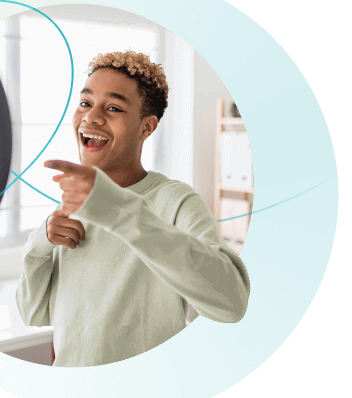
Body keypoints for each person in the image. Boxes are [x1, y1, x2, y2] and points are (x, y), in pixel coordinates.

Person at [16, 50, 250, 368]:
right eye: (86, 103)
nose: (91, 118)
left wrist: (116, 209)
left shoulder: (177, 202)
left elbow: (231, 303)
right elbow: (33, 312)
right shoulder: (74, 205)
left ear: (146, 128)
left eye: (113, 108)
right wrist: (42, 241)